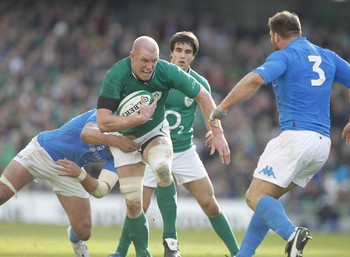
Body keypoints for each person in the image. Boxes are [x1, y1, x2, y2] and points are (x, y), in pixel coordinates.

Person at [209, 11, 350, 257]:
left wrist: (221, 109)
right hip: (322, 144)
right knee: (266, 200)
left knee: (254, 196)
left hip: (296, 137)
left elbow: (253, 80)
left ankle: (292, 234)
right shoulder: (328, 56)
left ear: (275, 35)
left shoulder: (285, 55)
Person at [108, 31, 239, 257]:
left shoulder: (199, 83)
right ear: (171, 53)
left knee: (210, 204)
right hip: (152, 149)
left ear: (193, 57)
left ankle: (239, 253)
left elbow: (208, 109)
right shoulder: (156, 76)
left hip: (183, 150)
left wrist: (215, 132)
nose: (182, 55)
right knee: (139, 206)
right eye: (178, 50)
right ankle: (120, 252)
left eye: (188, 52)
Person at [0, 108, 140, 257]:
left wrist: (80, 174)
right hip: (42, 151)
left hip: (69, 169)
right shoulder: (107, 114)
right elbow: (87, 134)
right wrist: (117, 141)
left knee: (84, 231)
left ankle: (75, 240)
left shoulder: (124, 154)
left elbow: (101, 190)